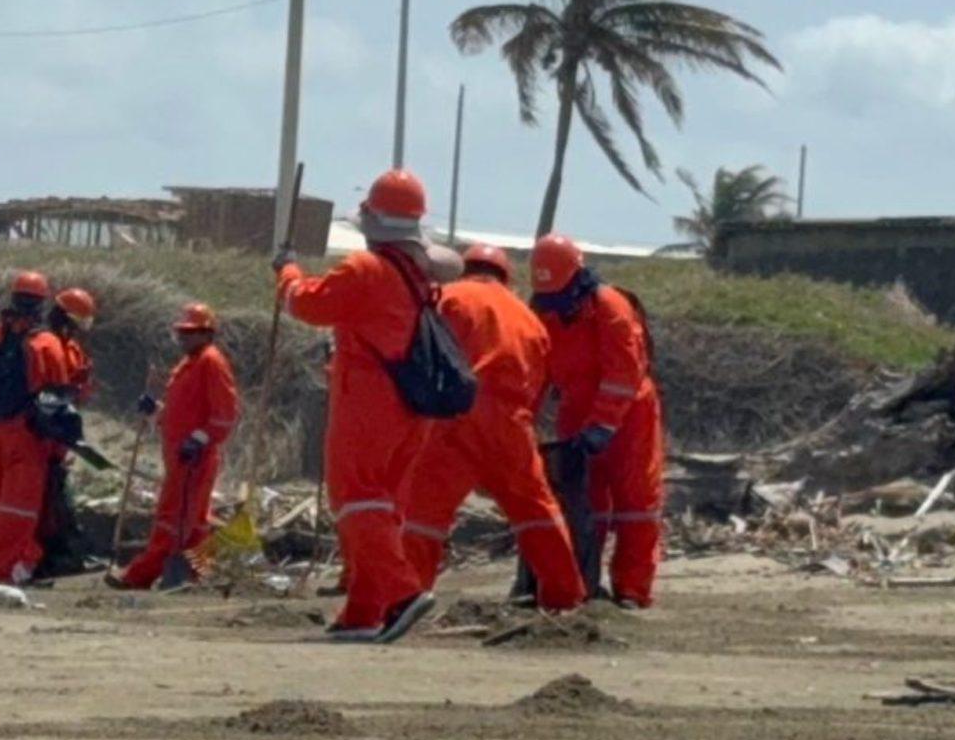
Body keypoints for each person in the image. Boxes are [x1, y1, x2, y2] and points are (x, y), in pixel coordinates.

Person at [275, 169, 449, 643]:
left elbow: (308, 305)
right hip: (410, 403)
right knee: (381, 503)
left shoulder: (366, 270)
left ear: (373, 220)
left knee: (355, 500)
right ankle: (364, 611)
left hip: (370, 401)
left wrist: (287, 273)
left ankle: (401, 592)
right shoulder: (416, 274)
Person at [397, 245, 587, 611]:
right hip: (512, 423)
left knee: (424, 515)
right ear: (505, 276)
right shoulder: (529, 317)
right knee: (537, 512)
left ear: (464, 268)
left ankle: (409, 596)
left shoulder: (447, 297)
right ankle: (566, 598)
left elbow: (423, 356)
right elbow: (539, 382)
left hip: (456, 420)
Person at [532, 234, 665, 607]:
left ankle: (632, 590)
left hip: (631, 412)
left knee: (636, 502)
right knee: (583, 502)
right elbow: (537, 371)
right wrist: (523, 419)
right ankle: (583, 581)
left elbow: (625, 371)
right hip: (577, 408)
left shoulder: (610, 306)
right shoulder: (546, 310)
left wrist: (603, 424)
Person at [108, 303, 240, 590]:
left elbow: (226, 413)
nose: (183, 338)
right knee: (193, 519)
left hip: (193, 456)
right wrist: (156, 410)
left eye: (190, 333)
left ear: (207, 333)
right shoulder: (189, 364)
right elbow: (182, 413)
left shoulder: (211, 362)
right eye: (181, 332)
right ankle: (196, 574)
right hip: (182, 454)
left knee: (173, 518)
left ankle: (140, 575)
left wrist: (200, 439)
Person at [0, 271, 71, 585]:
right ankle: (3, 572)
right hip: (26, 436)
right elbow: (58, 402)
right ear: (42, 304)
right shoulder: (46, 344)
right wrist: (58, 449)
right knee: (20, 508)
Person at [33, 287, 101, 579]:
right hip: (45, 430)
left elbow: (77, 389)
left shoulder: (71, 349)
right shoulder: (46, 345)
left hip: (60, 430)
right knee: (51, 496)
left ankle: (67, 552)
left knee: (57, 493)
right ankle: (59, 554)